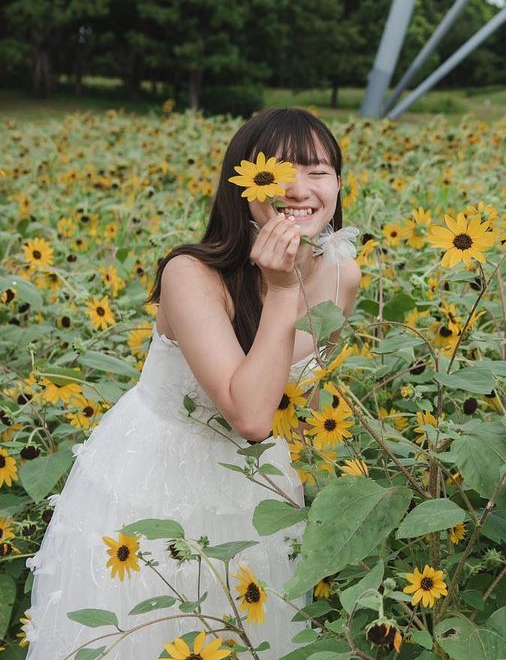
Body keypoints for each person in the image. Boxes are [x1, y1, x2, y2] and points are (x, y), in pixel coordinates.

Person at [26, 108, 362, 657]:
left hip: (262, 490)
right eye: (277, 173)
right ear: (243, 186)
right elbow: (251, 416)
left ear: (339, 184)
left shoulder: (341, 273)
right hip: (155, 487)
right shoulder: (192, 275)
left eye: (319, 171)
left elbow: (309, 399)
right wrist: (280, 292)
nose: (300, 188)